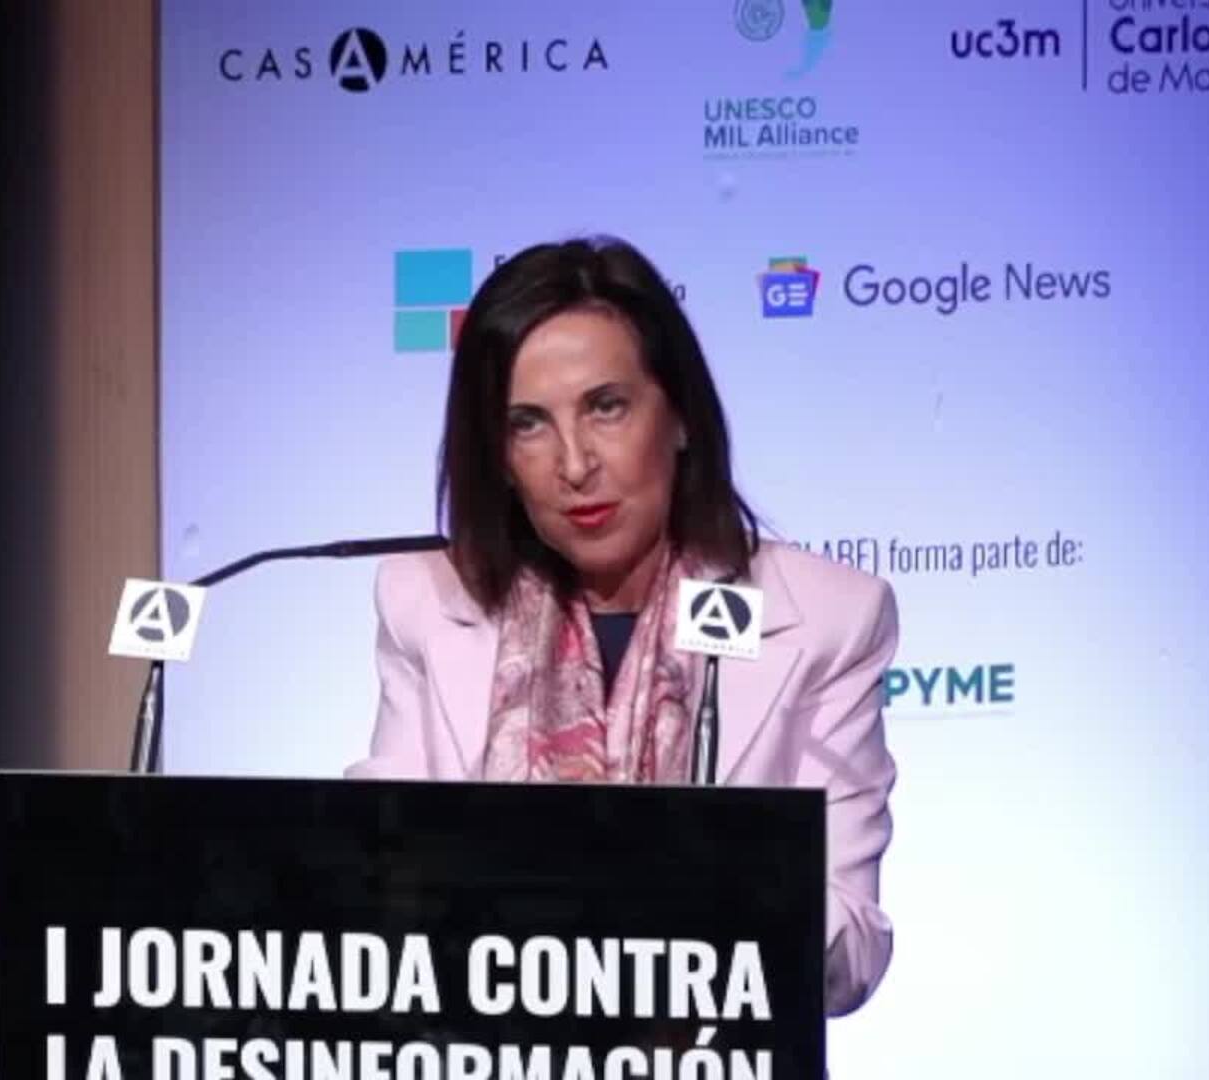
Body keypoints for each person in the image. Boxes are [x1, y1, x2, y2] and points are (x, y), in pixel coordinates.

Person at [347, 236, 899, 1017]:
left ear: (680, 417)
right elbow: (375, 883)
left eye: (606, 407)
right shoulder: (426, 605)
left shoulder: (828, 618)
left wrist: (701, 874)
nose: (574, 464)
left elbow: (852, 960)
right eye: (528, 424)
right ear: (497, 457)